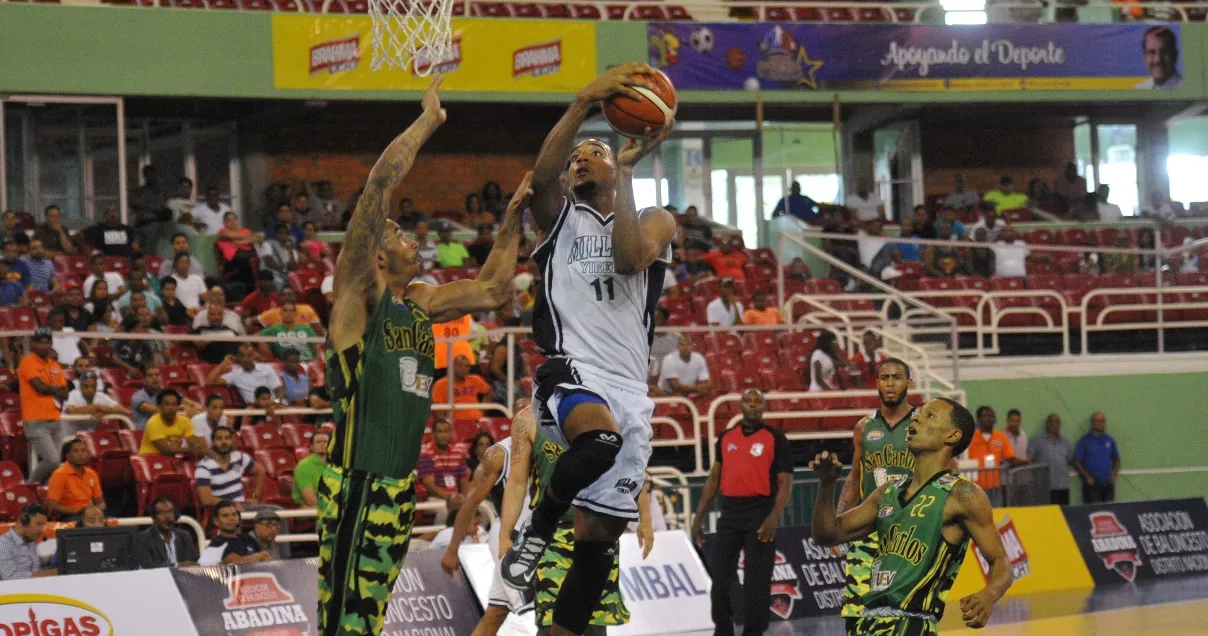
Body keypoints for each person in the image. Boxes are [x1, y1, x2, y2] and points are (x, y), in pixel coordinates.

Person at [317, 76, 525, 636]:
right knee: (343, 620)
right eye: (399, 234)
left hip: (398, 487)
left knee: (371, 616)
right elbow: (379, 183)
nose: (411, 238)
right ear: (378, 257)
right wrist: (429, 119)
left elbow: (492, 290)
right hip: (359, 479)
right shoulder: (360, 296)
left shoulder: (420, 304)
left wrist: (511, 224)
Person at [499, 66, 677, 636]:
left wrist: (624, 174)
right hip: (573, 368)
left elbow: (628, 259)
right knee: (599, 439)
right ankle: (537, 527)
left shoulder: (655, 219)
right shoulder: (558, 217)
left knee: (599, 544)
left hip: (632, 388)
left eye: (594, 152)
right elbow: (541, 171)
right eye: (578, 155)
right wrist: (582, 104)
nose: (581, 159)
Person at [813, 399, 1013, 634]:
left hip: (912, 624)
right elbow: (828, 534)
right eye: (918, 413)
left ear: (952, 436)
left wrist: (988, 595)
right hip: (867, 622)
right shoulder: (887, 491)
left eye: (930, 416)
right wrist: (827, 485)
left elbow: (1001, 563)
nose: (916, 417)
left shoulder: (963, 494)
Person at [498, 405, 651, 636]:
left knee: (595, 620)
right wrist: (504, 532)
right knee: (551, 619)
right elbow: (517, 482)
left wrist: (645, 519)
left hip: (596, 527)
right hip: (552, 531)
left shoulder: (603, 409)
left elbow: (630, 468)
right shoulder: (526, 419)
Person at [691, 390, 791, 636]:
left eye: (759, 402)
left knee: (757, 580)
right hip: (730, 512)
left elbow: (786, 483)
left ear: (764, 408)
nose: (754, 406)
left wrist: (774, 517)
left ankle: (753, 632)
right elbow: (713, 480)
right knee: (721, 576)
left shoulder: (775, 438)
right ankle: (722, 629)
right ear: (740, 406)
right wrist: (698, 518)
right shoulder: (726, 438)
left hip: (760, 512)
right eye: (749, 401)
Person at [832, 358, 917, 625]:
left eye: (897, 377)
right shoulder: (863, 428)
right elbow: (855, 477)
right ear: (877, 384)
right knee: (857, 616)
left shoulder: (923, 424)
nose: (890, 383)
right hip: (869, 529)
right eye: (884, 378)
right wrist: (838, 520)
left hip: (910, 534)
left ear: (908, 383)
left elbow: (946, 474)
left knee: (905, 617)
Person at [19, 328, 70, 483]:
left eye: (47, 342)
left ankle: (46, 495)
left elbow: (65, 394)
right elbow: (39, 387)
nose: (44, 346)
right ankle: (28, 488)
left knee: (57, 466)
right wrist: (55, 388)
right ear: (33, 344)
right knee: (53, 461)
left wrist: (49, 387)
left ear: (51, 344)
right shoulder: (28, 361)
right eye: (40, 342)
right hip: (35, 421)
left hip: (55, 420)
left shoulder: (55, 366)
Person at [195, 426, 265, 508]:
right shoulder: (204, 467)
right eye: (219, 439)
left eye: (227, 438)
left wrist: (255, 497)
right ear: (213, 442)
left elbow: (260, 472)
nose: (224, 442)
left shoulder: (240, 457)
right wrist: (233, 504)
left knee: (276, 512)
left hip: (242, 507)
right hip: (222, 510)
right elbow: (206, 500)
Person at [46, 439, 105, 522]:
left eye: (83, 451)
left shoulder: (91, 473)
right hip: (71, 516)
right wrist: (77, 511)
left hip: (90, 515)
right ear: (67, 455)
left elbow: (100, 503)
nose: (81, 454)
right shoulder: (59, 474)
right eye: (76, 451)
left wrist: (95, 511)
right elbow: (52, 507)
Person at [198, 500, 271, 566]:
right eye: (225, 516)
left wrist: (262, 556)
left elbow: (267, 559)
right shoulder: (216, 543)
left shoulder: (248, 538)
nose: (231, 518)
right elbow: (234, 562)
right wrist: (258, 556)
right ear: (216, 521)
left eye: (234, 514)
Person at [139, 389, 207, 458]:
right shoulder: (153, 422)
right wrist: (190, 450)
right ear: (159, 407)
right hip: (150, 459)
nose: (171, 408)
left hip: (172, 459)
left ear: (178, 407)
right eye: (167, 404)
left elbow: (194, 444)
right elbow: (166, 451)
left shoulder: (184, 421)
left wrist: (198, 448)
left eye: (174, 404)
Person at [206, 344, 284, 404]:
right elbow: (209, 381)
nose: (247, 359)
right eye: (243, 356)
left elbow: (279, 390)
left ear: (254, 356)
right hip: (255, 410)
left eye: (250, 355)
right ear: (238, 358)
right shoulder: (235, 375)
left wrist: (276, 404)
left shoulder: (267, 368)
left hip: (274, 406)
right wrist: (224, 363)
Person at [135, 498, 200, 568]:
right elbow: (148, 566)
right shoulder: (144, 538)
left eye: (170, 512)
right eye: (161, 513)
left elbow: (194, 561)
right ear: (154, 518)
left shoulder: (184, 536)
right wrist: (177, 565)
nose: (167, 516)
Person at [61, 371, 128, 436]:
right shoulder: (73, 394)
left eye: (93, 386)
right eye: (86, 386)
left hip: (87, 437)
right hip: (66, 436)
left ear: (96, 386)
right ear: (81, 386)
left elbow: (124, 410)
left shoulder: (100, 396)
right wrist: (97, 407)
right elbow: (72, 411)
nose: (90, 390)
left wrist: (105, 412)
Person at [430, 354, 491, 424]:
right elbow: (438, 411)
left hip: (477, 421)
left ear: (469, 369)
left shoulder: (475, 380)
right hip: (455, 423)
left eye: (466, 366)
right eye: (459, 365)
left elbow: (489, 391)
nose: (462, 368)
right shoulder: (440, 384)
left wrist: (482, 410)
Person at [0, 503, 55, 580]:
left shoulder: (31, 541)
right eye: (38, 524)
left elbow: (35, 562)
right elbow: (10, 577)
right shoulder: (3, 544)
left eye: (43, 525)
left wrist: (55, 557)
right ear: (23, 521)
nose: (42, 530)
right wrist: (50, 573)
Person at [1074, 412, 1120, 503]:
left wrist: (1114, 474)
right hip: (1092, 486)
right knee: (1092, 513)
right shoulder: (1085, 440)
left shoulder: (1109, 440)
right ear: (1092, 423)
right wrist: (1087, 477)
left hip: (1108, 485)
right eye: (1098, 421)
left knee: (1109, 512)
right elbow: (1076, 461)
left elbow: (1116, 459)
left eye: (1103, 421)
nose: (1101, 423)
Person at [1028, 413, 1074, 505]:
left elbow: (1070, 461)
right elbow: (1029, 460)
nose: (1054, 424)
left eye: (1056, 422)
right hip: (1044, 487)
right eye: (1051, 421)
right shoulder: (1036, 440)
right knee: (1047, 515)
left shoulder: (1066, 442)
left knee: (1064, 514)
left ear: (1060, 425)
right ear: (1047, 423)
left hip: (1063, 486)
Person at [292, 431, 330, 507]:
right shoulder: (303, 466)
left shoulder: (337, 464)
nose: (322, 444)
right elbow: (310, 501)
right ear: (312, 447)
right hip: (307, 508)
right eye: (318, 442)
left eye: (325, 442)